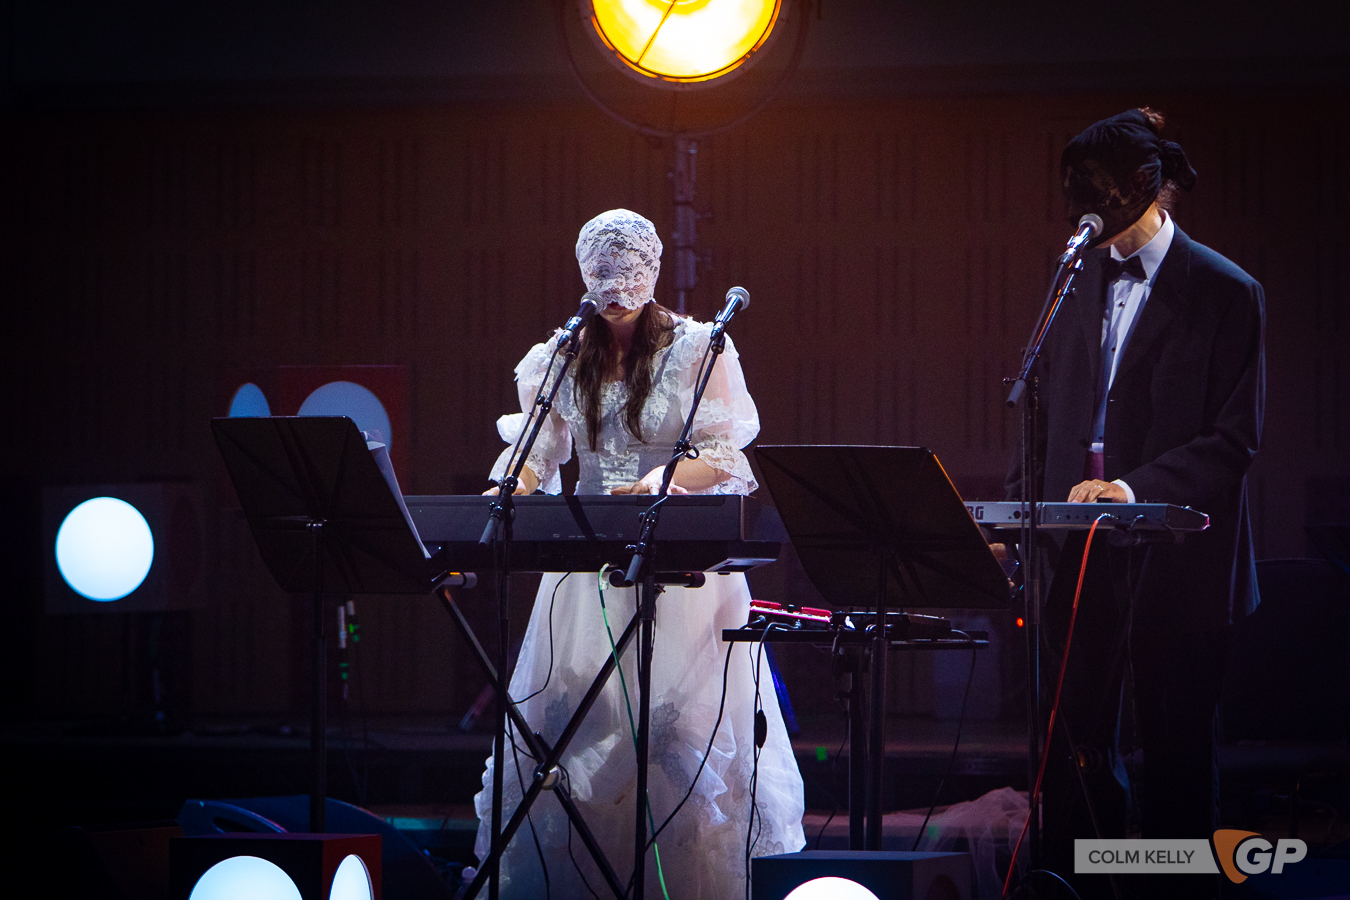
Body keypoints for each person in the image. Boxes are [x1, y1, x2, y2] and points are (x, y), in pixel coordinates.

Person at [470, 209, 805, 898]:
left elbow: (724, 457)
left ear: (650, 275)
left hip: (678, 566)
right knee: (579, 734)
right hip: (587, 563)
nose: (616, 294)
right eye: (602, 278)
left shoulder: (697, 347)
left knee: (670, 735)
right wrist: (515, 479)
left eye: (627, 276)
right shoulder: (562, 353)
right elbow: (539, 446)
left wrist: (658, 481)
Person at [1007, 109, 1265, 899]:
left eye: (1113, 213)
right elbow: (1043, 416)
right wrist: (1022, 515)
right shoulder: (1077, 282)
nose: (1101, 231)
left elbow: (1234, 439)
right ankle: (1083, 885)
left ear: (1153, 197)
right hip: (1077, 555)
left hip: (1179, 560)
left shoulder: (1226, 291)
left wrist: (1131, 489)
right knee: (1073, 745)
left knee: (1177, 747)